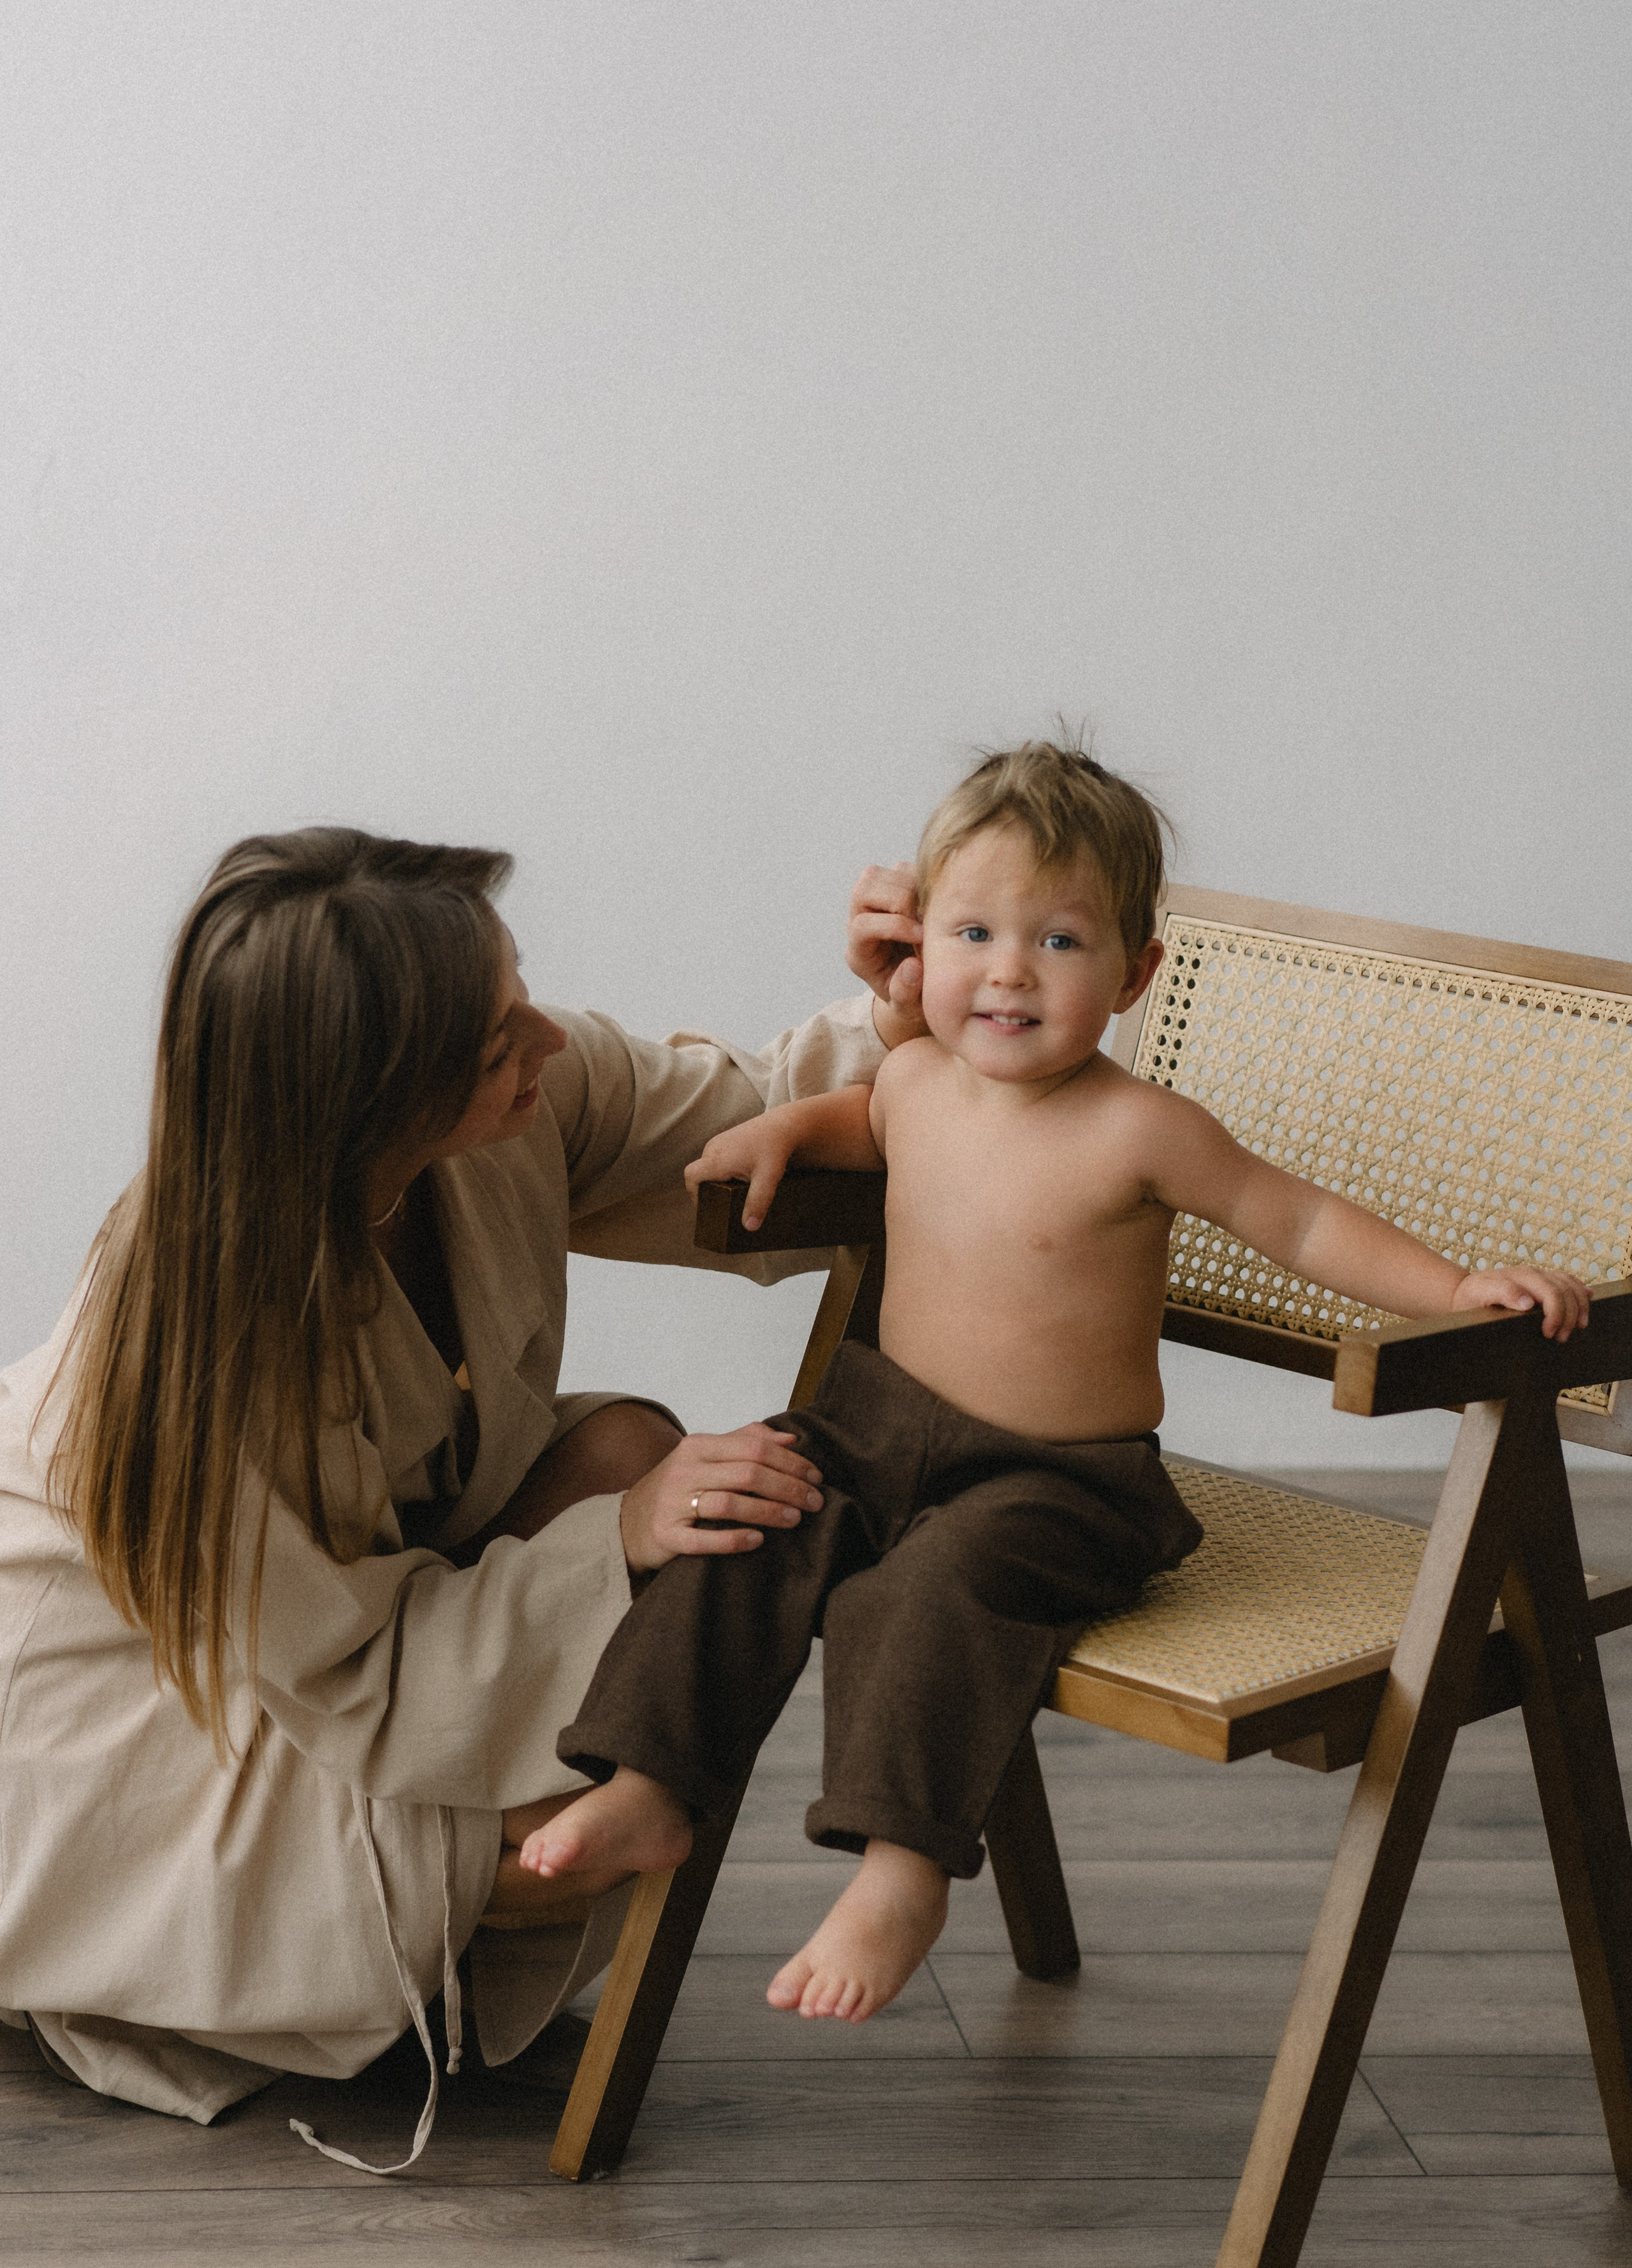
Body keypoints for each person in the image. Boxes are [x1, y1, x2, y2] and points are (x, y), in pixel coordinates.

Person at [517, 742, 1592, 2024]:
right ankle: (652, 1778)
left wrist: (1455, 1285)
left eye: (1060, 941)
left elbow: (1297, 1221)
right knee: (748, 1514)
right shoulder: (912, 1078)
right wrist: (777, 1130)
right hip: (876, 1432)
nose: (1009, 971)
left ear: (1133, 974)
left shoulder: (1140, 1129)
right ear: (921, 944)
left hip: (1058, 1486)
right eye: (973, 932)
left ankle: (902, 1867)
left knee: (924, 1590)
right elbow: (851, 1124)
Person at [0, 826, 914, 2163]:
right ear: (369, 1104)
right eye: (497, 1043)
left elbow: (753, 1116)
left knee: (634, 1459)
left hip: (361, 1613)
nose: (544, 1037)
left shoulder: (503, 1092)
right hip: (132, 1684)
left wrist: (906, 1011)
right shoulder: (195, 1335)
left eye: (517, 990)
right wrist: (617, 1536)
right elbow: (349, 1673)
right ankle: (134, 1931)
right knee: (570, 1817)